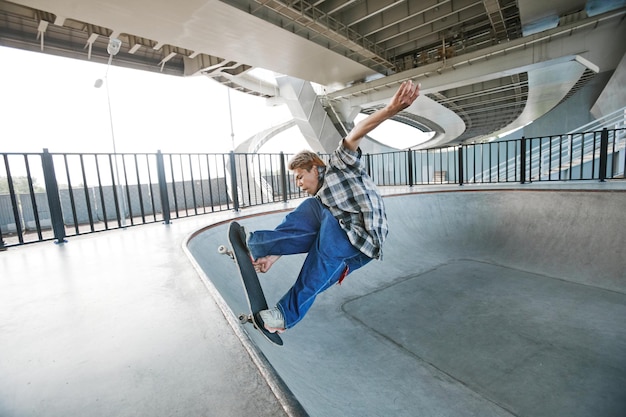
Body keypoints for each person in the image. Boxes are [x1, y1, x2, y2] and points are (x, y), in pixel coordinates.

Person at [246, 80, 421, 333]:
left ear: (316, 168)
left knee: (326, 242)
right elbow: (302, 232)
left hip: (363, 240)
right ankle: (262, 247)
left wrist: (391, 109)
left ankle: (285, 315)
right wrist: (274, 256)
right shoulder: (322, 203)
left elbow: (356, 132)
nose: (298, 183)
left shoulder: (340, 166)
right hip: (339, 231)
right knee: (312, 209)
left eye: (299, 176)